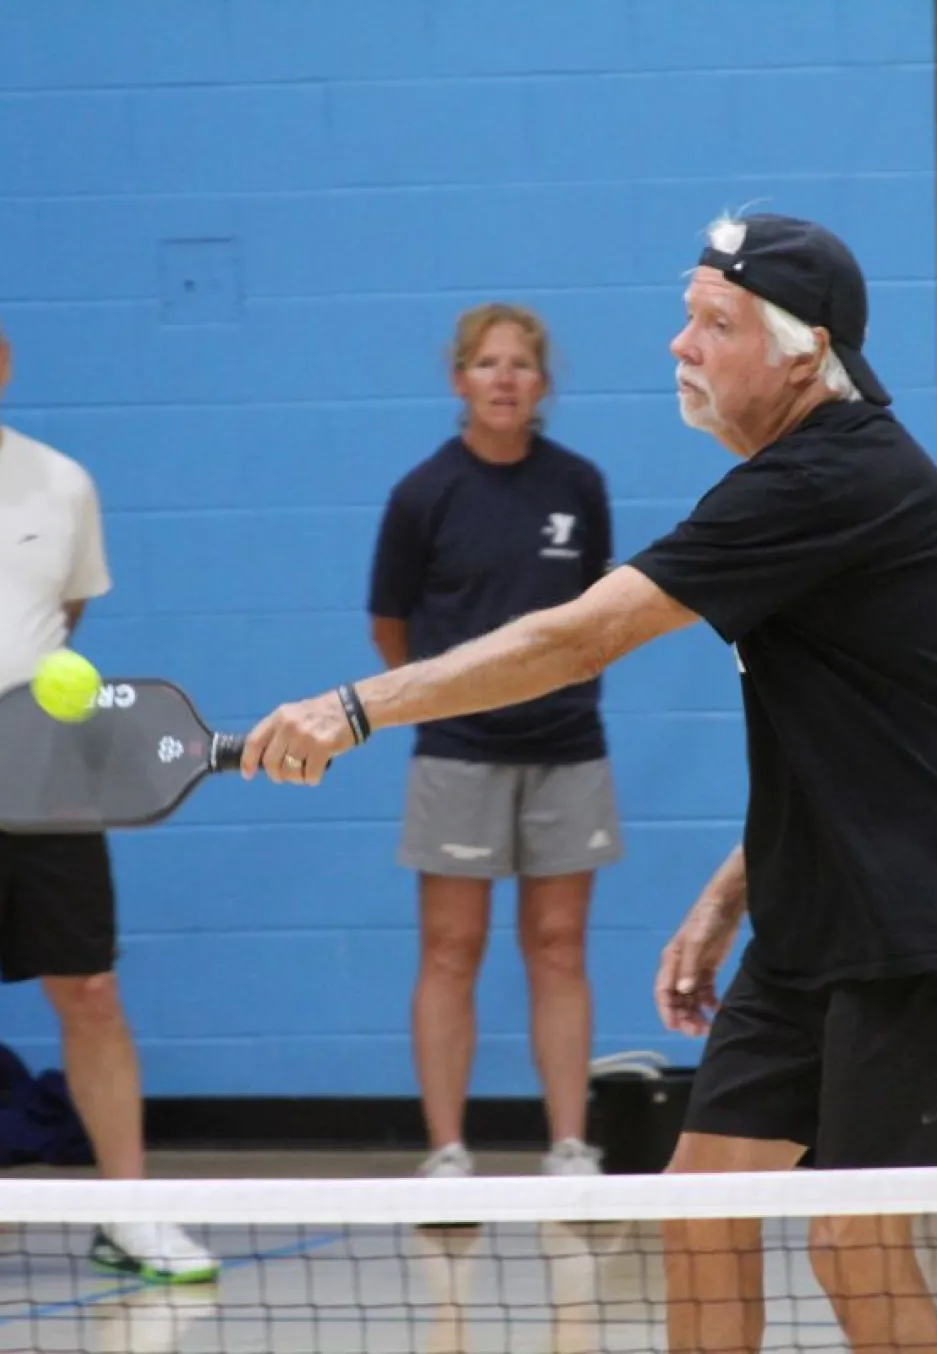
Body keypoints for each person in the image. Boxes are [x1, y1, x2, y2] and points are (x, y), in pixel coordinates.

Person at [243, 211, 937, 1353]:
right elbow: (874, 737)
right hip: (812, 924)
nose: (678, 345)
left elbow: (576, 638)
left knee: (851, 1240)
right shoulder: (799, 477)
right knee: (700, 1212)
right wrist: (728, 893)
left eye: (711, 322)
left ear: (802, 349)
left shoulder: (831, 475)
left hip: (920, 930)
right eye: (685, 315)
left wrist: (354, 708)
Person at [367, 303, 622, 1179]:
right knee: (450, 949)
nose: (504, 378)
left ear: (543, 384)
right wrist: (447, 702)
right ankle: (446, 1151)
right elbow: (389, 628)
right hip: (457, 753)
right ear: (459, 380)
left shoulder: (578, 486)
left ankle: (568, 1146)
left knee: (558, 946)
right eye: (487, 363)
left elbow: (597, 617)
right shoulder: (423, 494)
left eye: (520, 364)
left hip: (567, 747)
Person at [0, 327, 218, 1284]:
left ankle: (128, 1217)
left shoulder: (63, 484)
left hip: (45, 771)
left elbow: (64, 618)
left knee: (88, 991)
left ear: (4, 361)